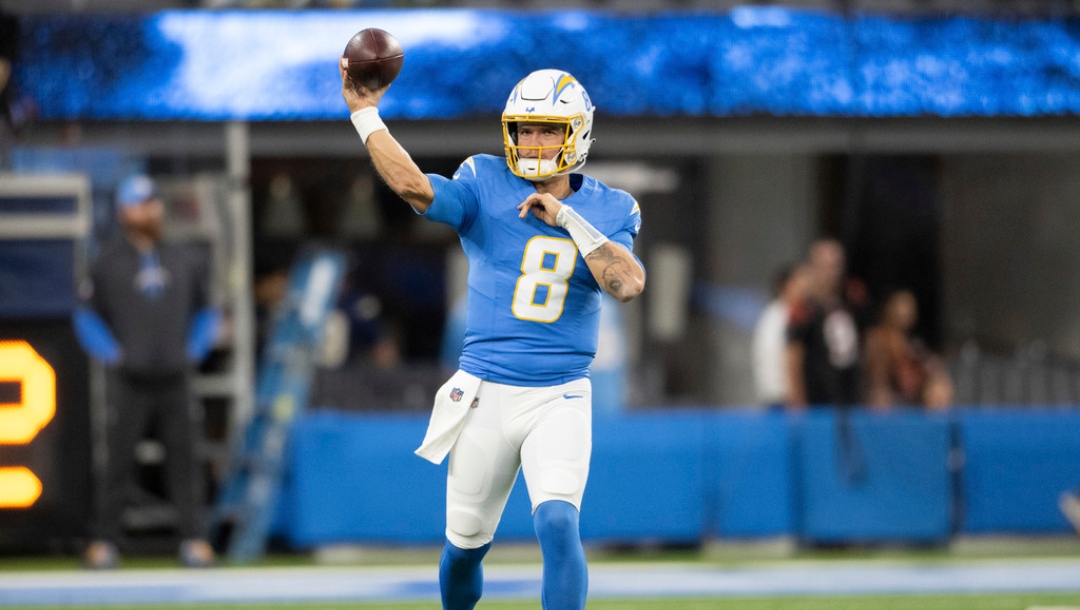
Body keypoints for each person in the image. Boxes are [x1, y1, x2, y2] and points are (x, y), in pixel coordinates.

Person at [341, 66, 644, 609]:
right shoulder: (484, 180)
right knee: (463, 548)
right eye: (525, 129)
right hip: (485, 392)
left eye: (547, 130)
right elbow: (413, 186)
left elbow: (627, 283)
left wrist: (569, 219)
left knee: (556, 520)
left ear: (577, 133)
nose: (532, 142)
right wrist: (365, 114)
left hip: (562, 392)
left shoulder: (609, 207)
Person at [73, 175, 220, 569]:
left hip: (175, 375)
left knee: (185, 460)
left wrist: (195, 348)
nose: (148, 210)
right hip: (130, 379)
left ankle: (193, 539)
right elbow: (85, 316)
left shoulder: (183, 257)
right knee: (118, 461)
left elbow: (208, 310)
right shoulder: (107, 261)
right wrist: (112, 353)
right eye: (139, 204)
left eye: (152, 203)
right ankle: (104, 541)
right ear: (124, 211)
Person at [786, 239, 866, 409]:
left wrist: (875, 388)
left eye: (835, 266)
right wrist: (797, 402)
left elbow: (870, 343)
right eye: (824, 267)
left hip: (853, 398)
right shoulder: (803, 309)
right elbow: (793, 357)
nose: (831, 273)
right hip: (817, 403)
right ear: (813, 268)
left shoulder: (854, 300)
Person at [863, 289, 953, 410]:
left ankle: (937, 426)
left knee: (939, 388)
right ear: (889, 308)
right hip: (888, 394)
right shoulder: (876, 338)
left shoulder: (914, 344)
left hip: (914, 396)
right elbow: (877, 378)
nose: (905, 311)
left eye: (909, 306)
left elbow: (931, 367)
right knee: (881, 398)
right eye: (901, 305)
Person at [752, 264, 810, 407]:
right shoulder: (780, 316)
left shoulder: (781, 313)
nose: (806, 286)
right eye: (800, 281)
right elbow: (779, 359)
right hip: (783, 400)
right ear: (787, 286)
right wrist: (795, 397)